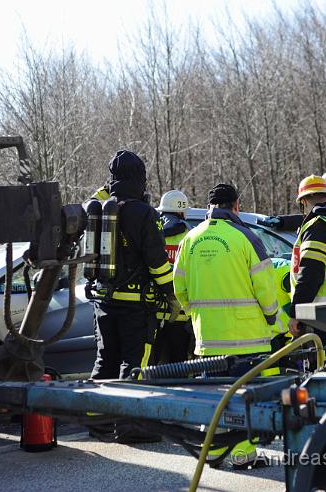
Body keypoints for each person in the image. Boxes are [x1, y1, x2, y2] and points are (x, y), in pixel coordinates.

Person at [173, 183, 278, 469]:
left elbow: (179, 288)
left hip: (208, 338)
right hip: (248, 338)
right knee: (246, 398)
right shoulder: (245, 237)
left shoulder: (190, 240)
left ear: (208, 207)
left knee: (214, 398)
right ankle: (243, 454)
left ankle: (215, 453)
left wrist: (197, 316)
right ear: (235, 206)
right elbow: (265, 287)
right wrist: (271, 317)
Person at [88, 150, 179, 381]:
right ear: (140, 177)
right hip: (136, 308)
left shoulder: (98, 209)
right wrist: (172, 295)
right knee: (136, 366)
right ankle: (132, 416)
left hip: (104, 302)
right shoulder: (145, 213)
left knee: (105, 361)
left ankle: (94, 413)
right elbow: (157, 263)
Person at [288, 175, 326, 339]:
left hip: (320, 319)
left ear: (304, 201)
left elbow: (311, 273)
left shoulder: (317, 227)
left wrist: (296, 312)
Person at [150, 190, 193, 365]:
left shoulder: (153, 230)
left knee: (153, 364)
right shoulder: (188, 234)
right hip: (180, 313)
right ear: (182, 211)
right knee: (178, 364)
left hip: (153, 310)